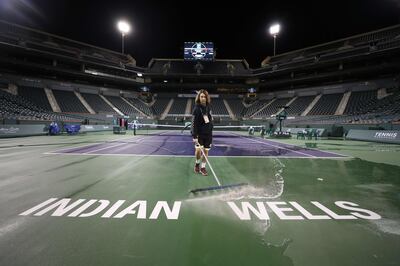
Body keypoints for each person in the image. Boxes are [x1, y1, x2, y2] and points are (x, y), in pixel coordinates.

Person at [191, 89, 213, 176]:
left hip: (208, 134)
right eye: (201, 96)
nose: (203, 98)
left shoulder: (208, 107)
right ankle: (197, 163)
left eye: (204, 97)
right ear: (199, 98)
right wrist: (194, 136)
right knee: (198, 151)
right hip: (199, 134)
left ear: (207, 98)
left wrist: (211, 127)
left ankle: (203, 167)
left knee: (206, 152)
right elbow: (193, 123)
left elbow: (209, 120)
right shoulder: (196, 109)